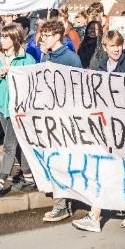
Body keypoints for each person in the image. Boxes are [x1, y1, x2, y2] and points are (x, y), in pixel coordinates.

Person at [73, 30, 125, 232]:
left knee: (124, 169)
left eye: (119, 45)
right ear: (105, 47)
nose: (116, 49)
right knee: (107, 169)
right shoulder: (100, 66)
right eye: (112, 46)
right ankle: (97, 215)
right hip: (106, 126)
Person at [0, 22, 36, 198]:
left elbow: (34, 83)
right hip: (2, 106)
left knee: (9, 145)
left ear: (15, 38)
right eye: (1, 36)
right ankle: (29, 178)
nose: (2, 40)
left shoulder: (27, 59)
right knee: (17, 143)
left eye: (6, 37)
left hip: (19, 109)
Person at [37, 19, 84, 221]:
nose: (43, 39)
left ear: (57, 36)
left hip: (65, 117)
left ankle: (63, 204)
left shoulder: (70, 59)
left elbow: (79, 87)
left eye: (46, 36)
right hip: (49, 116)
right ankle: (63, 201)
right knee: (53, 160)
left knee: (61, 160)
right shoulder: (45, 55)